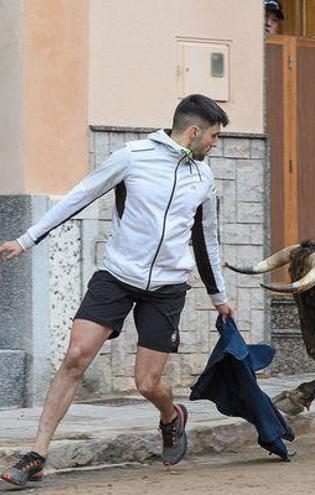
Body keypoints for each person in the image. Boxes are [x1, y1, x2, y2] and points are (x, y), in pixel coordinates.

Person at [0, 94, 235, 487]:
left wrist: (220, 297)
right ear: (193, 131)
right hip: (117, 275)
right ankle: (37, 454)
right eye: (213, 136)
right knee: (75, 357)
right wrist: (25, 240)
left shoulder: (203, 178)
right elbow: (79, 195)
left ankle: (171, 417)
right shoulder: (133, 157)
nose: (214, 143)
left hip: (166, 287)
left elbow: (205, 240)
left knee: (147, 383)